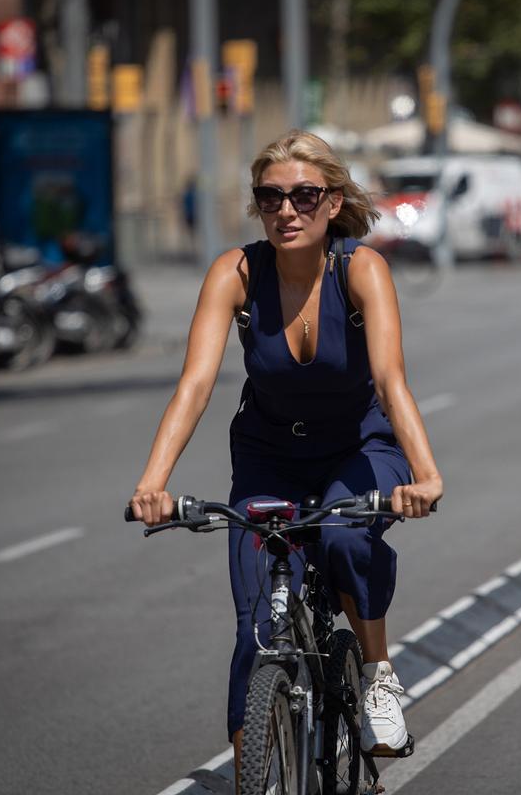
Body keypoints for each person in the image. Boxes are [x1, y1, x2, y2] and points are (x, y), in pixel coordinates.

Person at [129, 130, 444, 763]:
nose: (286, 210)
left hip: (360, 445)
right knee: (255, 633)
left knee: (345, 539)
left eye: (304, 195)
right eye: (270, 197)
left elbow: (390, 380)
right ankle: (256, 773)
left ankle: (378, 675)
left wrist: (427, 476)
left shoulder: (361, 269)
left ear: (332, 203)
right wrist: (152, 483)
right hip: (268, 453)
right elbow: (194, 386)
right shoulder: (236, 272)